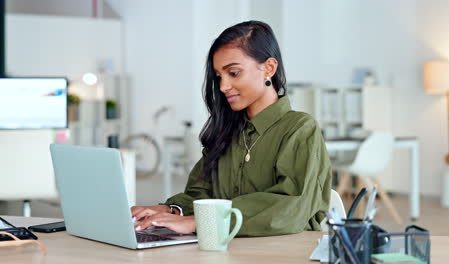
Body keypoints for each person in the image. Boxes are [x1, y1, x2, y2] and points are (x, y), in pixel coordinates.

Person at [131, 20, 332, 237]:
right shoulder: (226, 131)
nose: (223, 86)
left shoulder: (300, 129)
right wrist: (170, 210)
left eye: (233, 73)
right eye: (219, 76)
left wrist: (200, 222)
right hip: (223, 250)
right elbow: (202, 194)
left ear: (269, 68)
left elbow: (291, 206)